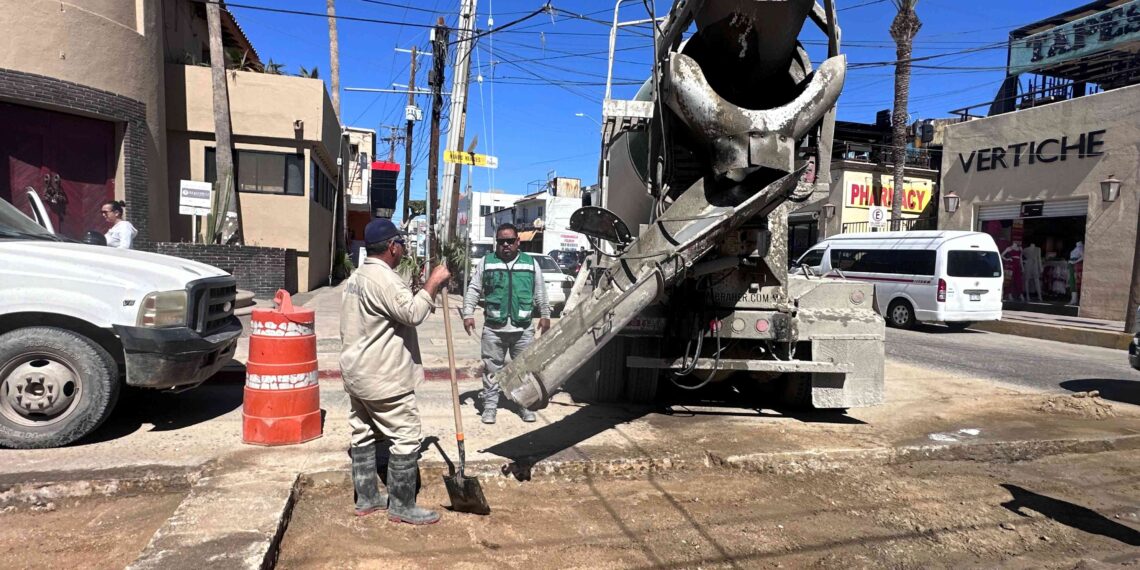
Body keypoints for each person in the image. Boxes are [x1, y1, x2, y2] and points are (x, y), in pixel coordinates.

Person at [340, 217, 450, 525]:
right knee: (405, 437)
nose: (403, 249)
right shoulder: (384, 280)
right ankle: (401, 505)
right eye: (401, 244)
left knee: (363, 434)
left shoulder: (356, 277)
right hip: (383, 377)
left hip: (357, 373)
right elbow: (413, 313)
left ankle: (366, 498)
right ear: (392, 247)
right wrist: (434, 281)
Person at [462, 223, 551, 424]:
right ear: (497, 243)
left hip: (523, 329)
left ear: (518, 242)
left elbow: (540, 291)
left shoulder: (530, 263)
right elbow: (474, 289)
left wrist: (545, 315)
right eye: (501, 241)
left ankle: (524, 406)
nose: (506, 245)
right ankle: (490, 407)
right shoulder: (487, 262)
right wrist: (468, 313)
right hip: (494, 328)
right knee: (492, 369)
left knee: (524, 371)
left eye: (510, 241)